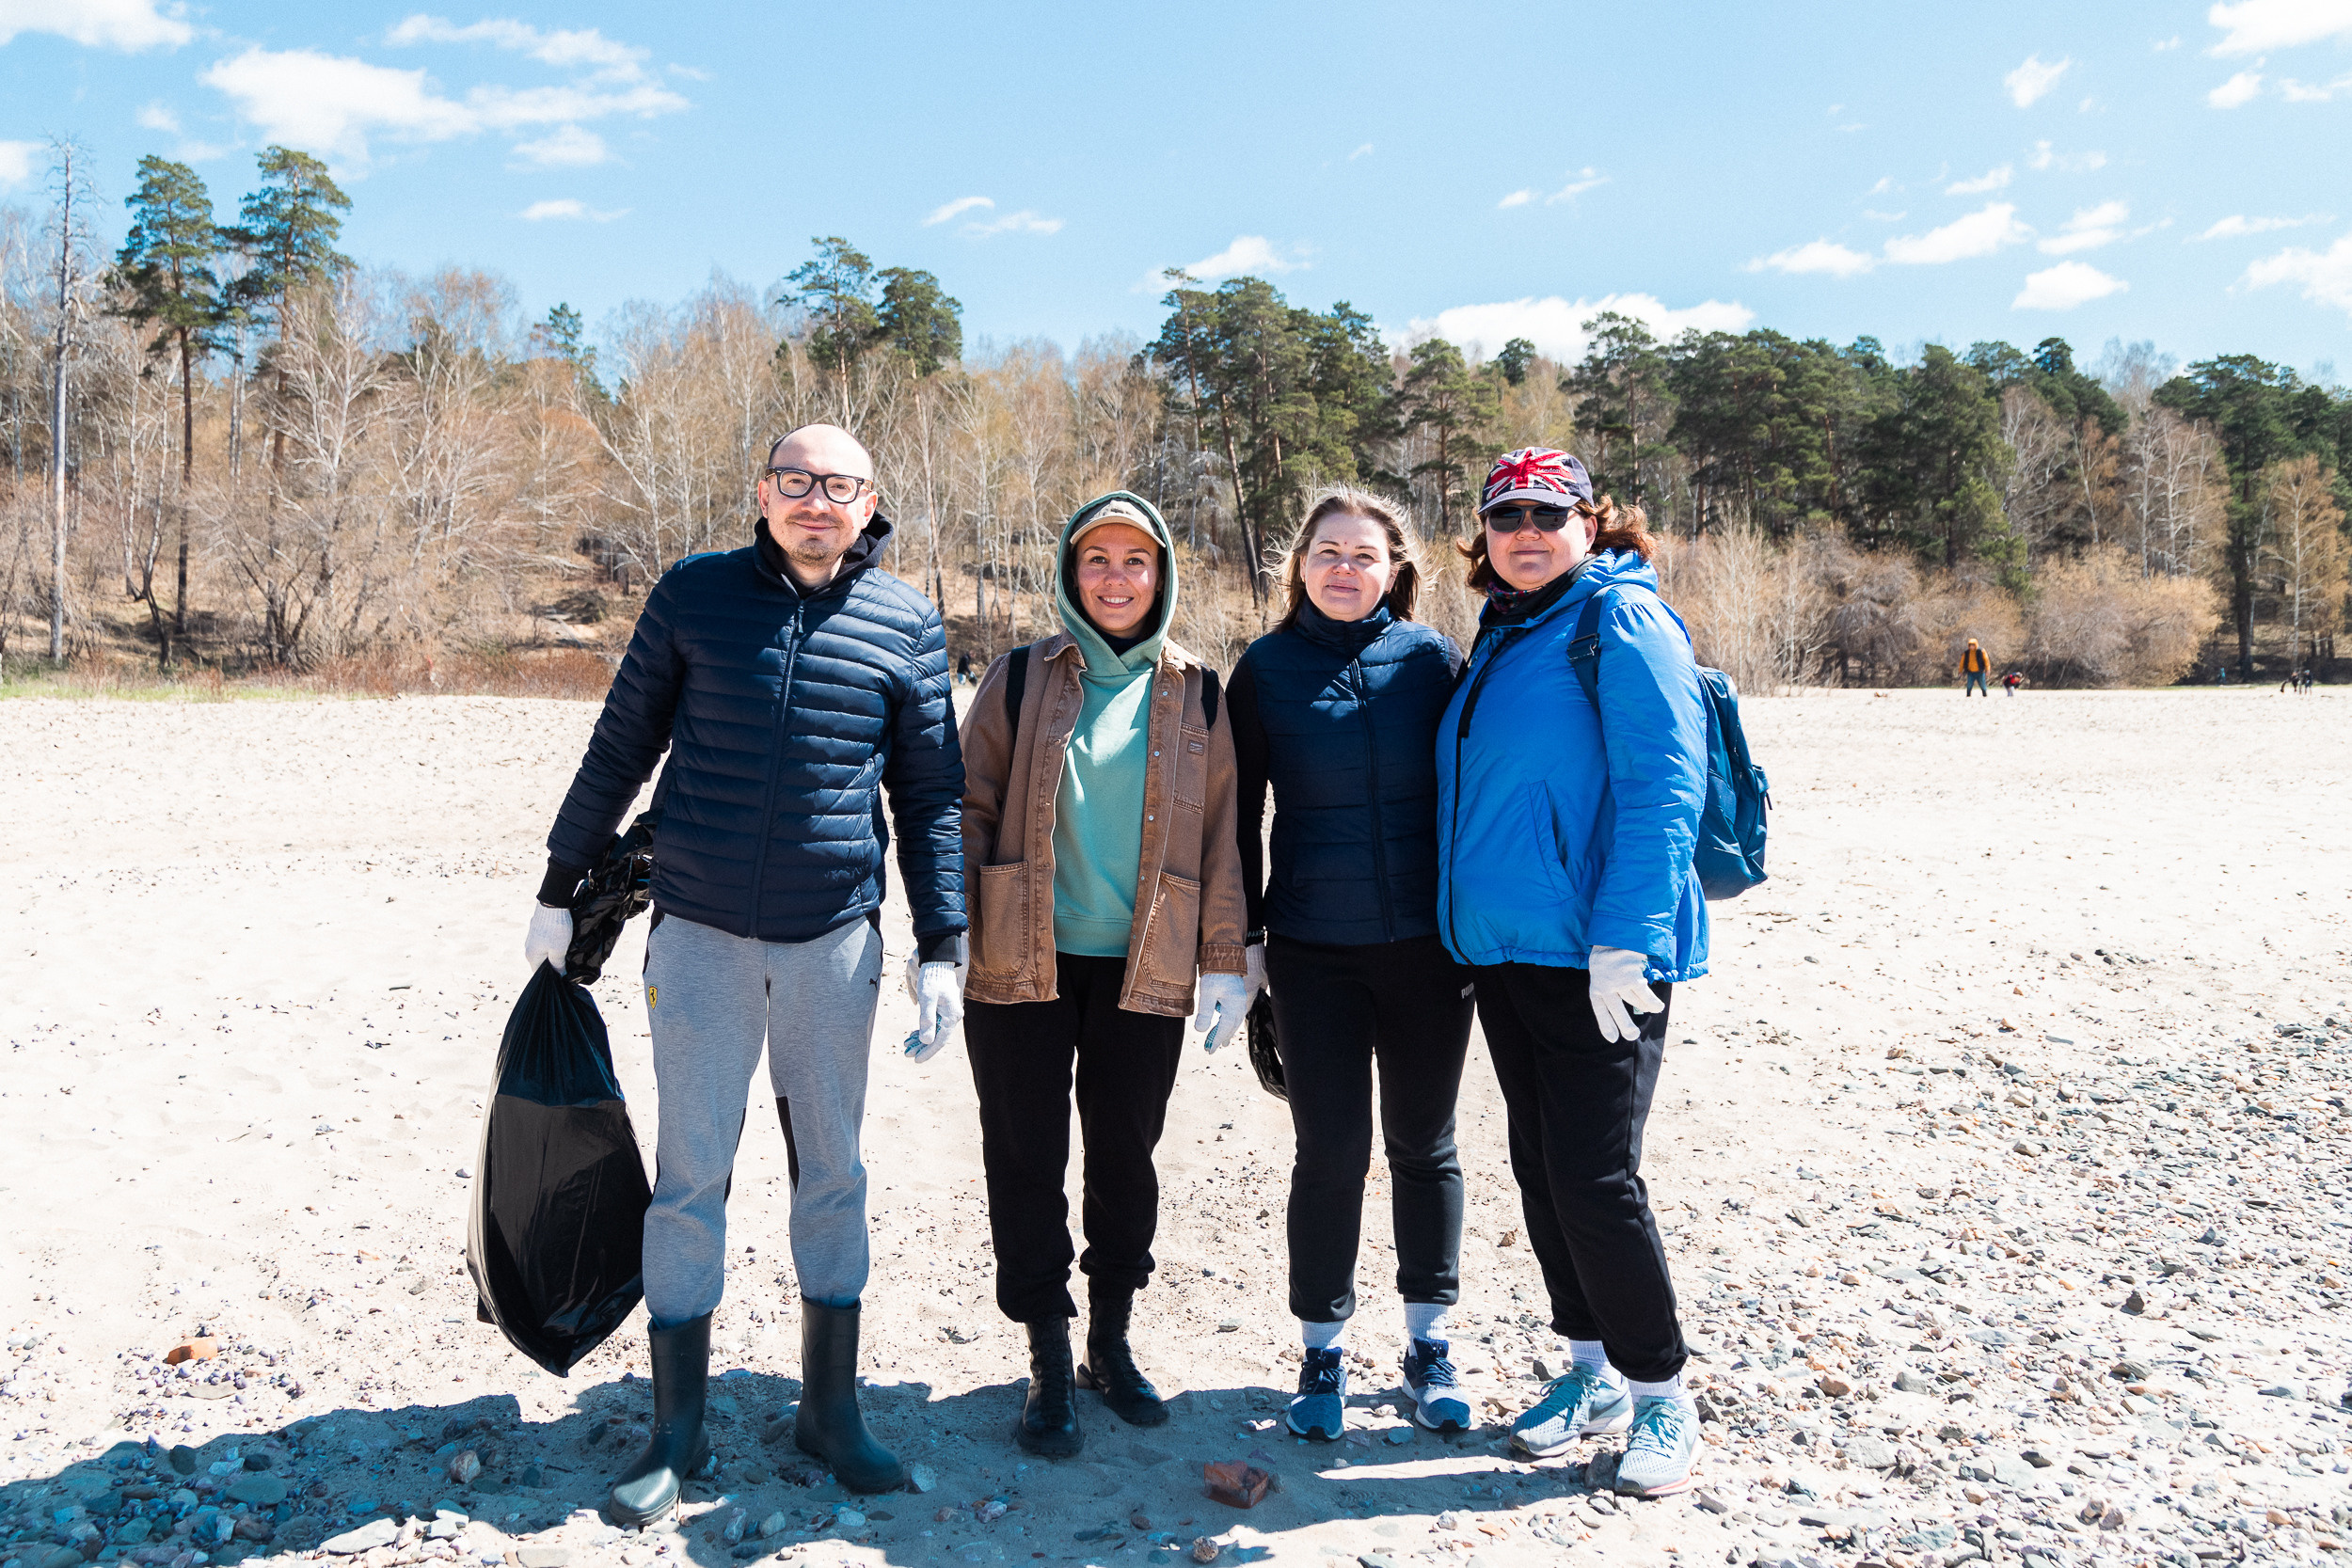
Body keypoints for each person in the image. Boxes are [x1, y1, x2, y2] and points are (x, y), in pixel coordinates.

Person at [526, 423, 967, 1519]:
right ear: (762, 492)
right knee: (690, 1175)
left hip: (836, 939)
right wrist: (557, 879)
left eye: (839, 486)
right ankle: (678, 1425)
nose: (817, 501)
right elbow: (622, 739)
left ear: (871, 503)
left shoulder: (907, 619)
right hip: (700, 931)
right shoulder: (694, 595)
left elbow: (930, 797)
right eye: (796, 482)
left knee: (834, 1170)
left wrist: (942, 945)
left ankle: (829, 1409)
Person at [1436, 448, 1711, 1498]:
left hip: (1598, 953)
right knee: (1543, 1169)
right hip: (1510, 953)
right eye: (1506, 514)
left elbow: (1662, 784)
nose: (1526, 530)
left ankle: (1662, 1394)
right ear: (1483, 536)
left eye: (1548, 513)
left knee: (1598, 1180)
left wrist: (1626, 936)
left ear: (1588, 523)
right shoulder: (1511, 628)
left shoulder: (1621, 621)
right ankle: (1589, 1372)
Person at [951, 492, 1250, 1458]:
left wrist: (1224, 957)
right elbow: (967, 804)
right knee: (1024, 1153)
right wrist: (947, 927)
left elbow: (1222, 835)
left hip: (1144, 963)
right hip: (1018, 956)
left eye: (1136, 559)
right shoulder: (1015, 677)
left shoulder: (1199, 689)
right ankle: (1045, 1349)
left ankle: (1110, 1343)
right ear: (1069, 573)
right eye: (1097, 559)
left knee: (1126, 1154)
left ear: (1160, 573)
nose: (1116, 577)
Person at [1226, 488, 1476, 1441]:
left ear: (1395, 569)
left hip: (1428, 948)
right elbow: (1238, 810)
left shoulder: (1431, 661)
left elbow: (1477, 786)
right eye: (1325, 551)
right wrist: (1244, 943)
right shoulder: (1266, 668)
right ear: (1298, 565)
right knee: (1328, 1152)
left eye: (1362, 554)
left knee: (1424, 1143)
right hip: (1311, 951)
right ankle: (1320, 1350)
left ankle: (1429, 1343)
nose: (1342, 568)